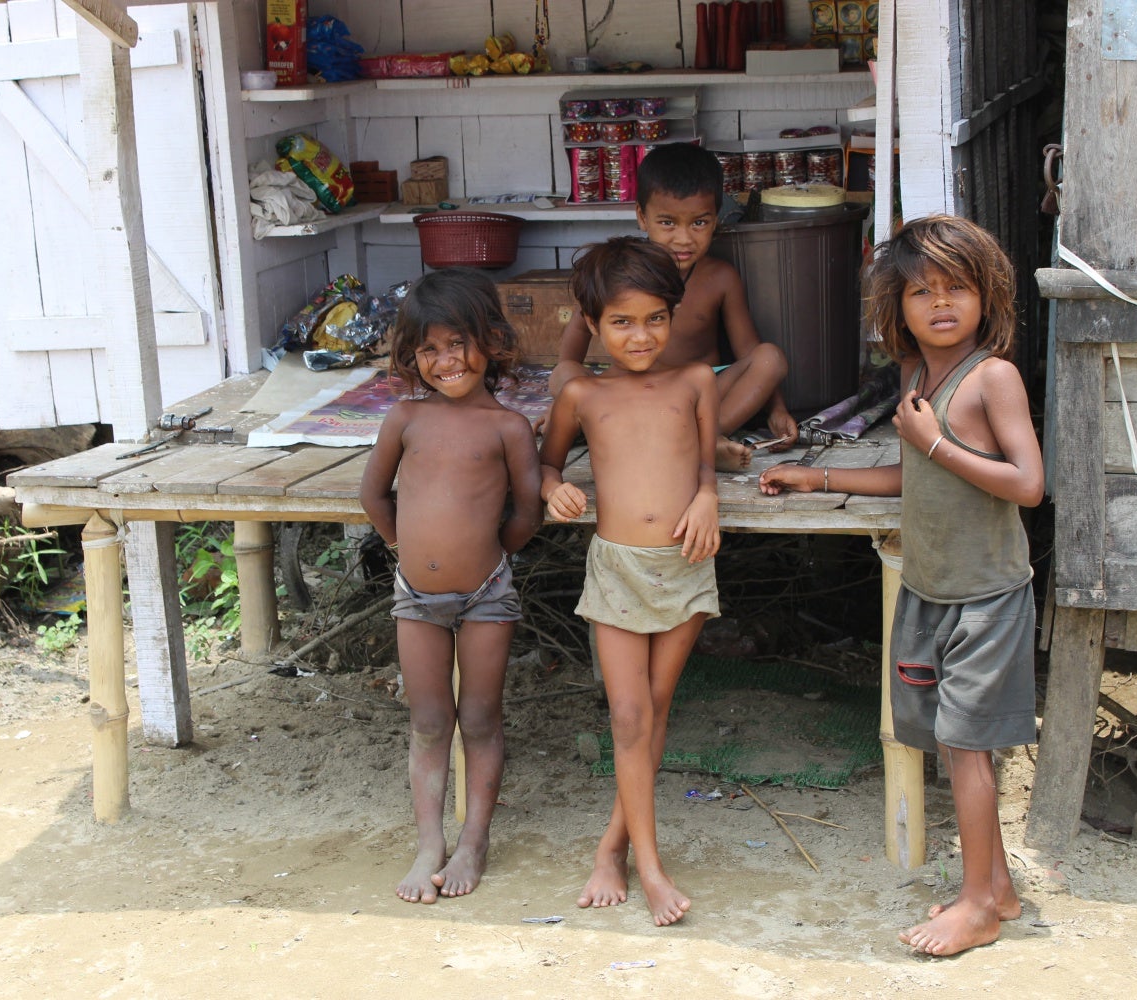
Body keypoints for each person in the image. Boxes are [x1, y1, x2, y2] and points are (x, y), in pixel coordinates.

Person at [759, 215, 1044, 956]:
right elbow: (912, 475)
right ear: (897, 307)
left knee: (967, 745)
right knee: (952, 747)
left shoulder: (993, 376)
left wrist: (936, 441)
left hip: (985, 595)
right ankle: (999, 890)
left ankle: (977, 902)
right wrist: (817, 474)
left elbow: (1029, 484)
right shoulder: (918, 376)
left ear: (988, 296)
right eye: (922, 292)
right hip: (929, 587)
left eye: (957, 289)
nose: (941, 304)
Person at [539, 237, 721, 927]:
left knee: (656, 706)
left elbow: (707, 469)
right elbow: (547, 466)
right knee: (628, 715)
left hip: (684, 562)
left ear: (672, 316)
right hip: (616, 565)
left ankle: (609, 849)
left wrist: (708, 498)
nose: (640, 335)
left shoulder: (696, 380)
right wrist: (554, 490)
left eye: (654, 318)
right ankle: (649, 866)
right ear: (591, 325)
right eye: (621, 322)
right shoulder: (582, 394)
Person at [359, 268, 543, 905]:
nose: (446, 360)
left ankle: (474, 840)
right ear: (411, 356)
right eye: (429, 348)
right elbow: (372, 493)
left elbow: (527, 509)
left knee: (481, 717)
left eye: (459, 342)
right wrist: (404, 545)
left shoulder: (508, 428)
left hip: (488, 593)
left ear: (491, 341)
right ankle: (429, 842)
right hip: (415, 594)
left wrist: (497, 552)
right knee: (430, 719)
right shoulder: (405, 418)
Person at [548, 142, 797, 471]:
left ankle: (701, 440)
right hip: (624, 391)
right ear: (642, 216)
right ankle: (691, 444)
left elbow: (750, 353)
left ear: (715, 220)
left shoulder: (719, 278)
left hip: (694, 395)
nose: (683, 239)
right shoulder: (620, 272)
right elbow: (573, 347)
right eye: (667, 223)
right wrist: (562, 407)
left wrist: (775, 409)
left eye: (698, 223)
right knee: (564, 373)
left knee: (770, 358)